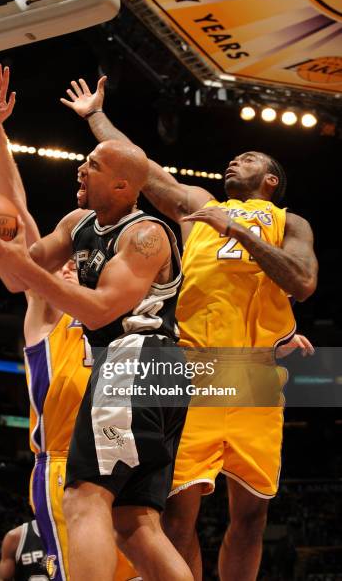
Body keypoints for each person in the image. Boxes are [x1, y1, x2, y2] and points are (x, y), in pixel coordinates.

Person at [58, 76, 318, 581]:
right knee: (176, 513)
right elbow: (137, 164)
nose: (234, 161)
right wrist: (94, 117)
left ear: (271, 181)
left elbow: (302, 282)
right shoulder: (194, 205)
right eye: (233, 158)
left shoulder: (291, 223)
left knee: (252, 513)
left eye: (249, 159)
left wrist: (238, 230)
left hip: (256, 377)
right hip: (192, 370)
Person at [0, 92, 193, 580]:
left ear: (124, 184)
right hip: (141, 375)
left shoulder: (145, 234)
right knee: (136, 524)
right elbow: (23, 256)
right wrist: (2, 252)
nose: (80, 168)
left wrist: (21, 263)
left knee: (84, 499)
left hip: (138, 361)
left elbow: (100, 307)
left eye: (92, 163)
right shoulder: (76, 228)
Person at [0, 65, 139, 581]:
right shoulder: (46, 311)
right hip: (63, 465)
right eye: (63, 259)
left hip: (119, 460)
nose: (70, 261)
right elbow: (19, 211)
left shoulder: (113, 309)